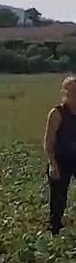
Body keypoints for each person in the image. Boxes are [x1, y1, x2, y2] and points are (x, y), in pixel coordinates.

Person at [43, 76, 76, 235]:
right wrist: (52, 163)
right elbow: (49, 141)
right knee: (58, 199)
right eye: (72, 92)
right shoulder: (57, 113)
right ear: (65, 93)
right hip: (61, 160)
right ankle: (54, 229)